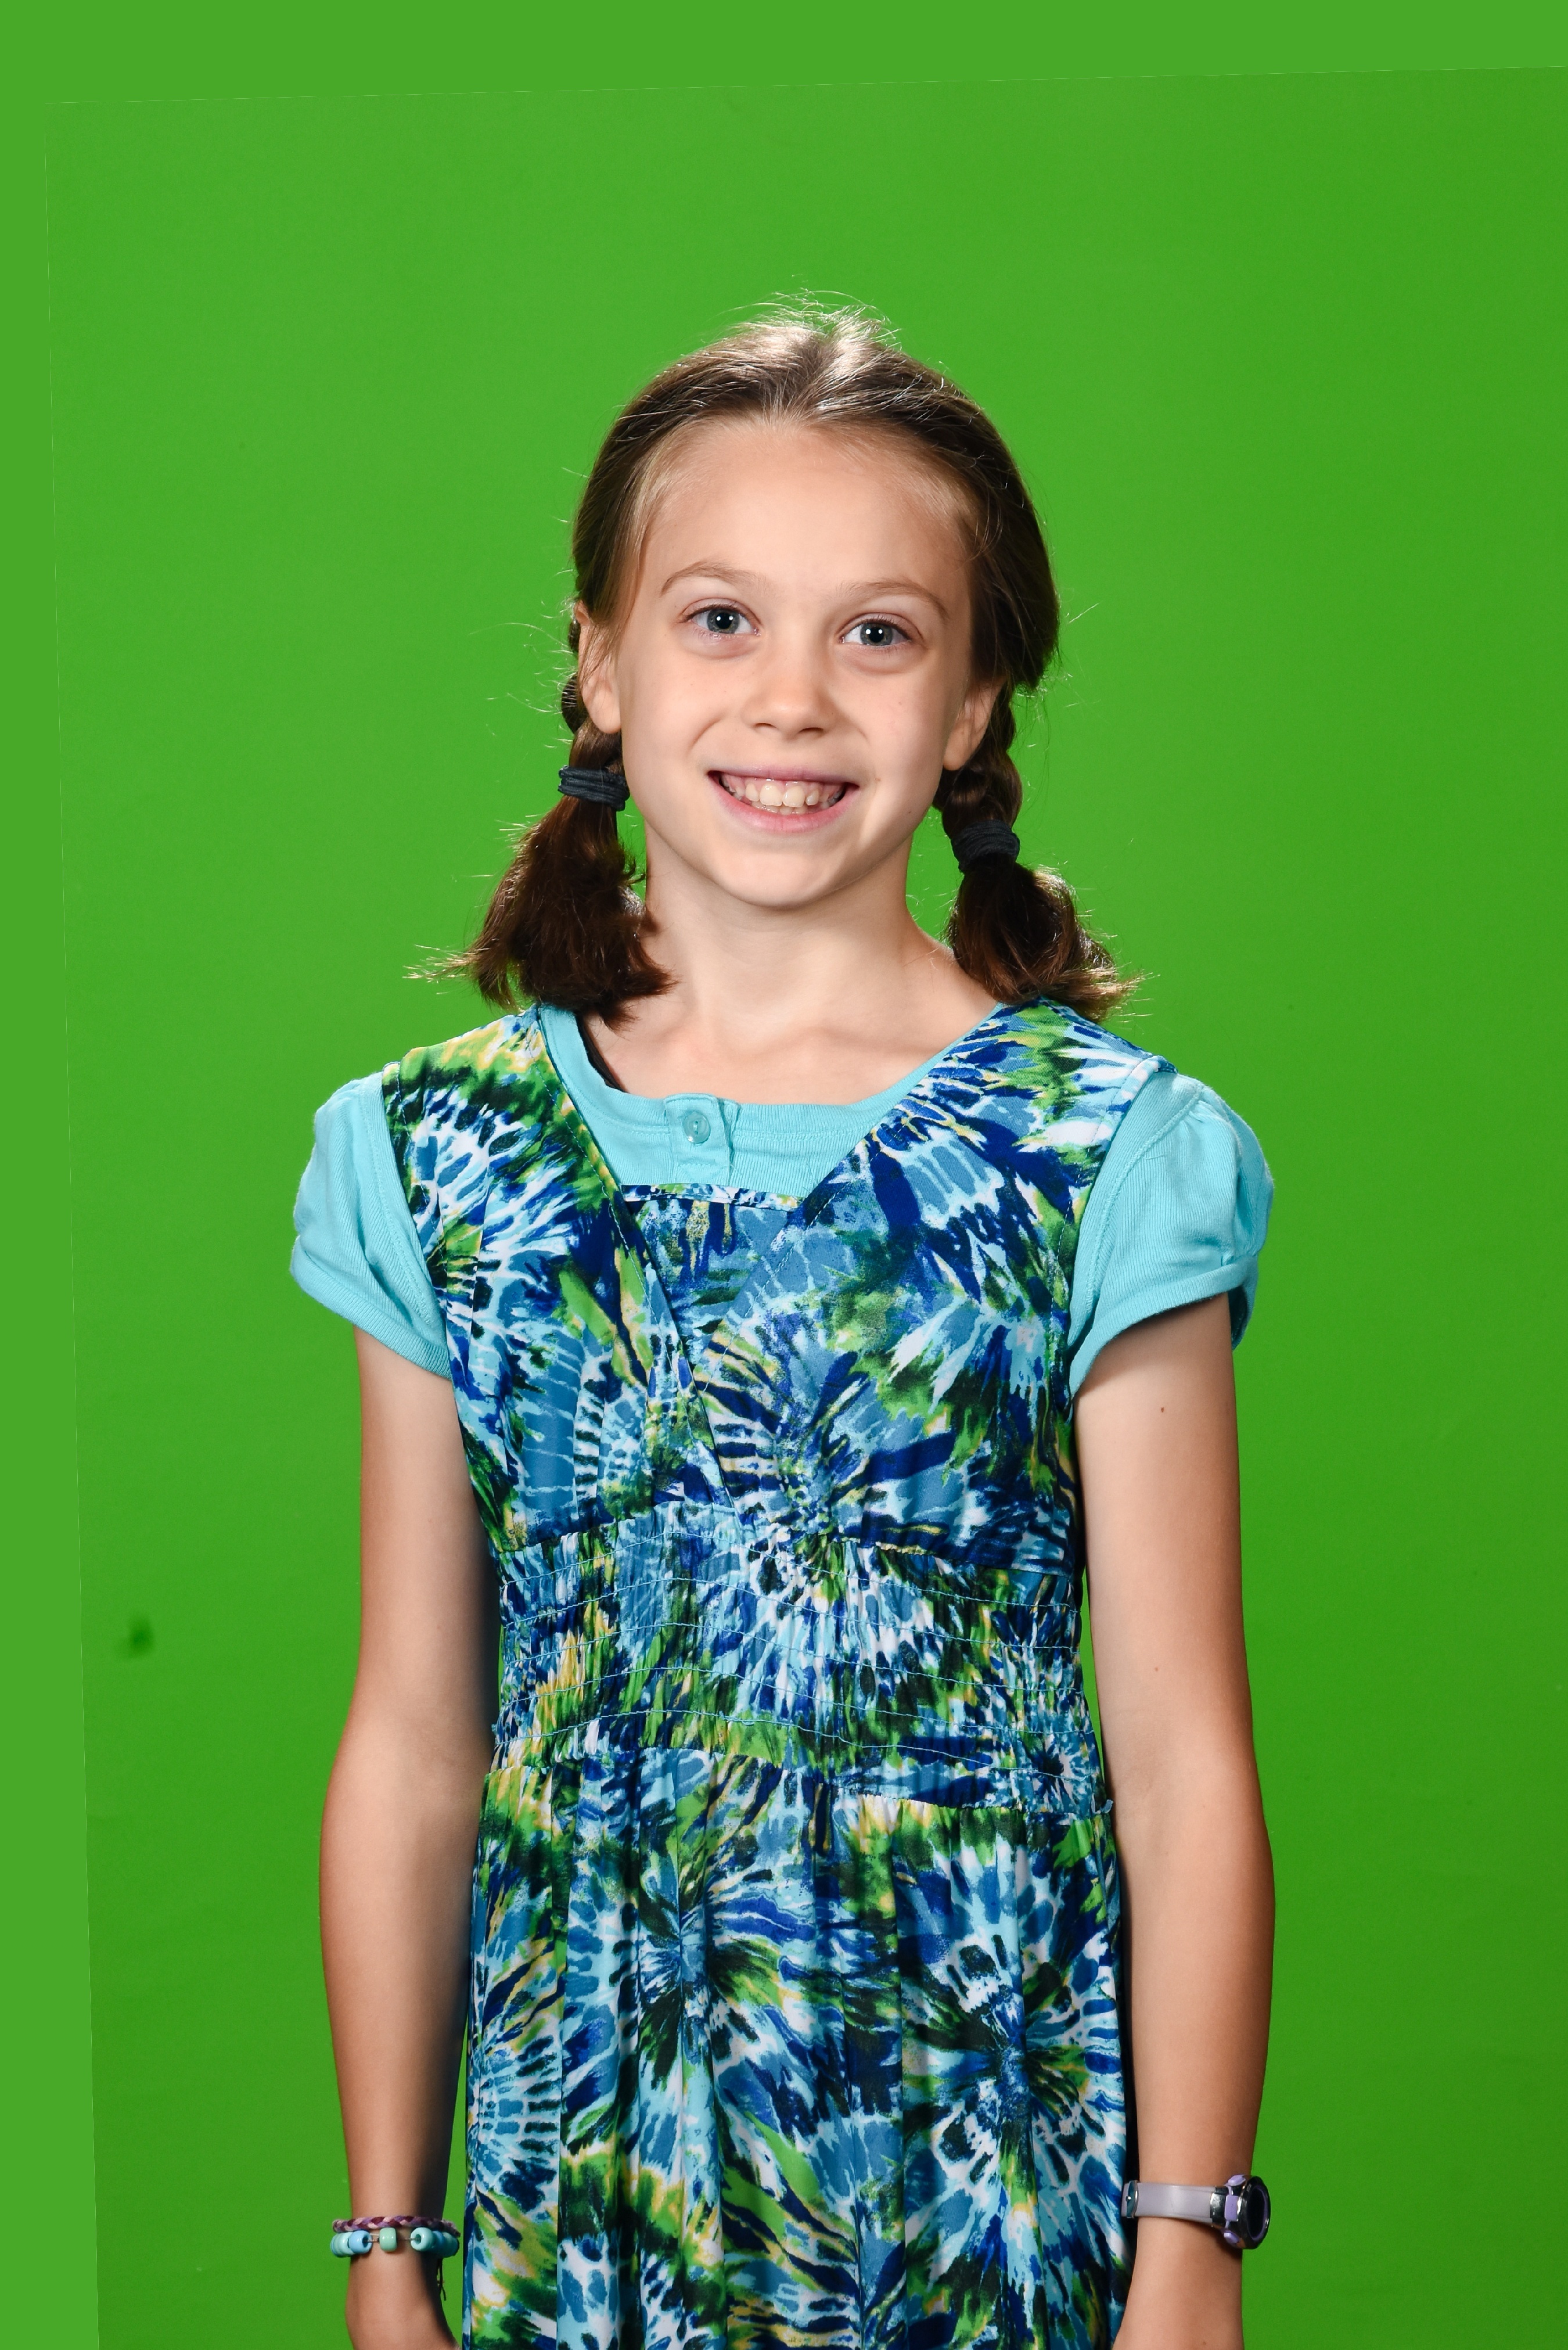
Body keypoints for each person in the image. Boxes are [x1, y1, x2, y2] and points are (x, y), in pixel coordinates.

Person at [292, 308, 1275, 2350]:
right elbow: (414, 1741)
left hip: (989, 2202)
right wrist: (391, 2249)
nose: (792, 700)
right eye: (721, 618)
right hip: (576, 2210)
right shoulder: (431, 1153)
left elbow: (1179, 1758)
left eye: (878, 635)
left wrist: (1188, 2244)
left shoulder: (1107, 1153)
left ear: (976, 701)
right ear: (600, 661)